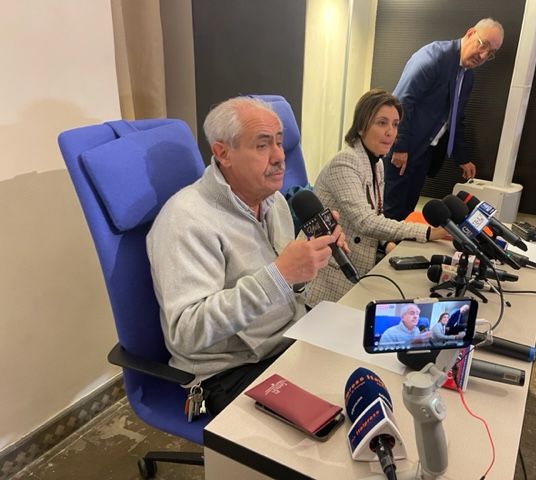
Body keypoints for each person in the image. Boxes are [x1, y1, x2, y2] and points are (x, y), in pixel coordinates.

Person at [146, 97, 347, 416]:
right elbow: (187, 333)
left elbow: (282, 290)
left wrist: (304, 267)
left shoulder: (273, 202)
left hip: (288, 337)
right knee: (329, 428)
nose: (279, 156)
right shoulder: (185, 220)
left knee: (368, 368)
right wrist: (280, 275)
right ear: (223, 153)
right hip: (230, 369)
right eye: (262, 145)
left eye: (279, 142)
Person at [304, 89, 447, 306]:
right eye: (382, 123)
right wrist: (428, 232)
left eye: (395, 124)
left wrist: (387, 245)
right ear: (361, 126)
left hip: (360, 266)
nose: (391, 132)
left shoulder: (377, 163)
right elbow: (366, 222)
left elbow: (375, 213)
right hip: (331, 278)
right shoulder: (345, 162)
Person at [383, 18, 504, 221]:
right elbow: (401, 102)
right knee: (390, 210)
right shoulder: (433, 57)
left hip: (425, 153)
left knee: (407, 210)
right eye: (483, 45)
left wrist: (462, 158)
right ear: (470, 33)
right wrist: (400, 146)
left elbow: (456, 118)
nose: (483, 55)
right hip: (404, 150)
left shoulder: (467, 77)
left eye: (490, 53)